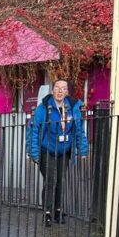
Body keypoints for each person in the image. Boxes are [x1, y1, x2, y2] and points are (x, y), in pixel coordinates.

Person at [27, 78, 89, 227]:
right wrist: (34, 153)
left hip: (64, 151)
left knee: (60, 181)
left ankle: (58, 210)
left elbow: (79, 129)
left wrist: (83, 149)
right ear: (52, 90)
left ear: (67, 92)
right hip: (47, 151)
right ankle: (47, 212)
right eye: (57, 87)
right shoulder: (43, 108)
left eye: (63, 88)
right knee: (51, 180)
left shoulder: (73, 108)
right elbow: (33, 131)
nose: (60, 91)